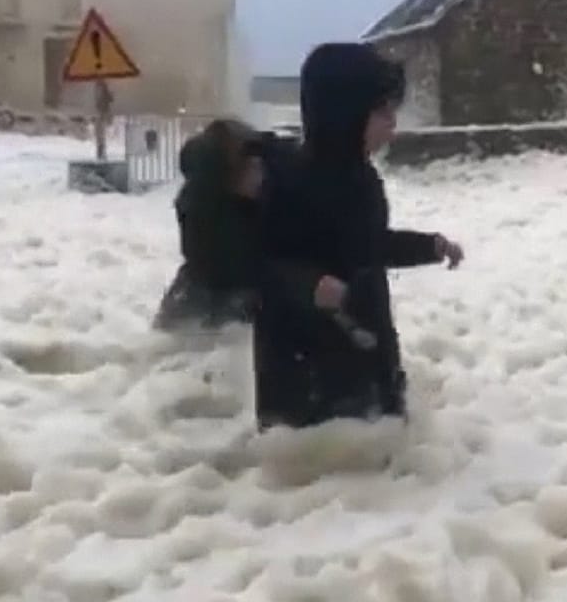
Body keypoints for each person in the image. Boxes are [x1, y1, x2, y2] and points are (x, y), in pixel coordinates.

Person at [252, 42, 464, 430]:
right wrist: (308, 284)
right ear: (343, 114)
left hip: (366, 354)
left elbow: (368, 245)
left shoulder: (361, 179)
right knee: (325, 479)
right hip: (305, 381)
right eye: (383, 112)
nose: (392, 125)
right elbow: (260, 267)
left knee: (380, 461)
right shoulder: (288, 182)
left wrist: (427, 246)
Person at [154, 118, 297, 332]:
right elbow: (202, 264)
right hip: (218, 279)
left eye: (256, 163)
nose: (256, 172)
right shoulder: (198, 206)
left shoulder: (283, 171)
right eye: (245, 170)